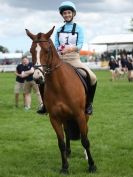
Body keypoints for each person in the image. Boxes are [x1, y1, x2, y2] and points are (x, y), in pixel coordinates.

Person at [54, 1, 97, 115]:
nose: (67, 15)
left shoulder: (79, 28)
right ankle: (44, 105)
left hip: (74, 59)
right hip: (61, 59)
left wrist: (70, 49)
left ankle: (89, 104)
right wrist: (60, 50)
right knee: (42, 78)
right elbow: (56, 45)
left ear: (73, 14)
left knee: (93, 78)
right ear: (62, 15)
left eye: (69, 12)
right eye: (64, 13)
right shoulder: (58, 30)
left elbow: (80, 45)